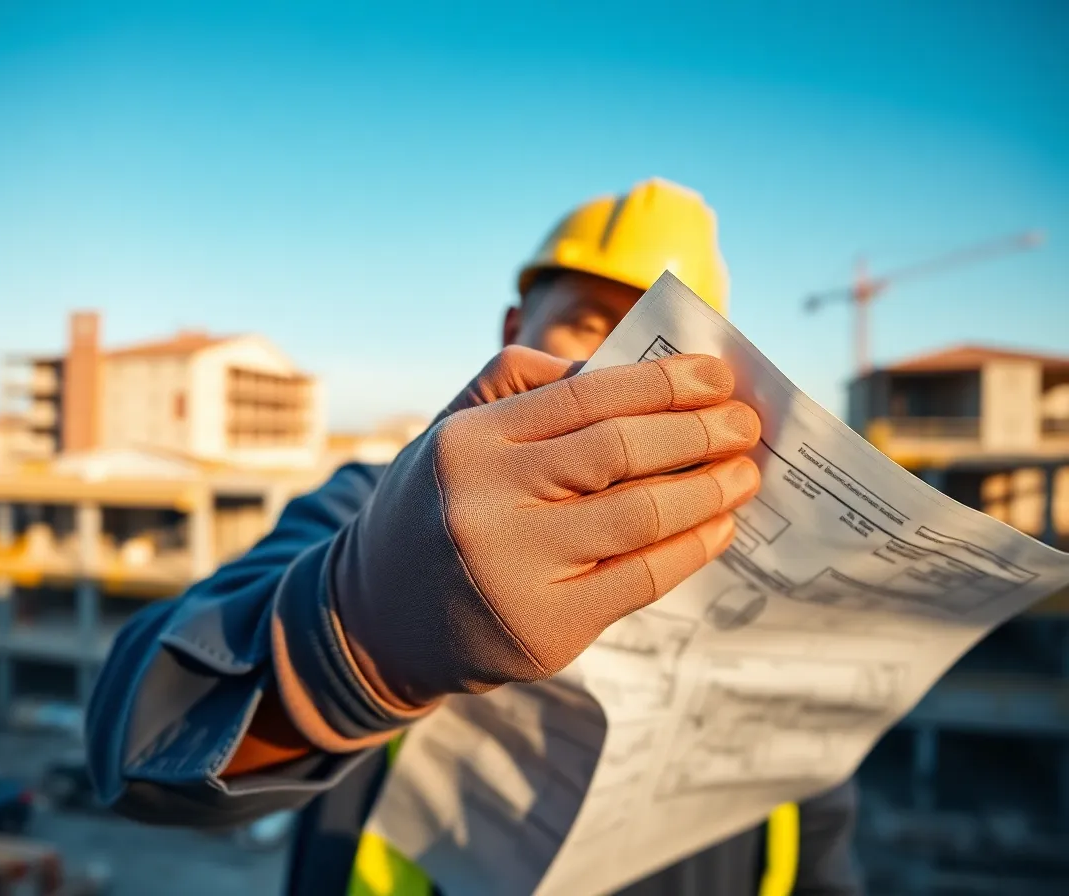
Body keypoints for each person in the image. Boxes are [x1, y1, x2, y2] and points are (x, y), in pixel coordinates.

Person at [87, 178, 861, 896]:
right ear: (516, 330)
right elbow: (142, 747)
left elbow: (820, 845)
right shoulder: (381, 505)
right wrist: (356, 641)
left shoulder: (763, 580)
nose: (621, 362)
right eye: (592, 320)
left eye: (658, 335)